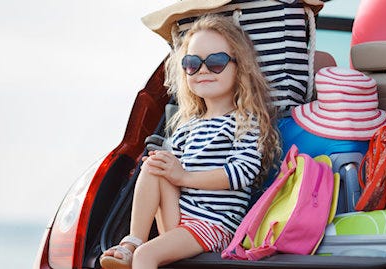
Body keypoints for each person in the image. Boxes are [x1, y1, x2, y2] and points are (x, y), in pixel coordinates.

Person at [99, 14, 281, 269]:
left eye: (216, 62)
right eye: (192, 63)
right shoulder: (187, 126)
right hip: (180, 219)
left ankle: (138, 251)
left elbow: (242, 173)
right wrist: (170, 170)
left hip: (214, 225)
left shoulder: (244, 121)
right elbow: (167, 176)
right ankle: (133, 240)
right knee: (155, 165)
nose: (203, 70)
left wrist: (183, 177)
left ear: (240, 68)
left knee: (146, 257)